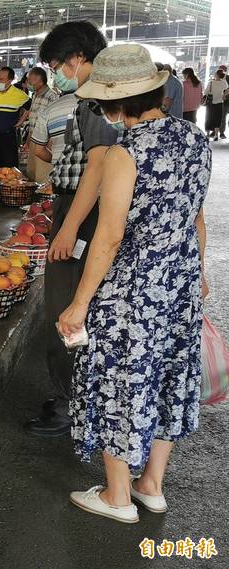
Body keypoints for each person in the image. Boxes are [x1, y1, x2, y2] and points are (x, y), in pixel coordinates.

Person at [59, 43, 210, 523]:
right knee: (168, 375)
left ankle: (118, 496)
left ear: (116, 103)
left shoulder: (126, 152)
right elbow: (196, 218)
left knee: (121, 377)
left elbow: (109, 236)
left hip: (134, 288)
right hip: (180, 280)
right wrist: (198, 274)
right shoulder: (195, 140)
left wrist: (79, 304)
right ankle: (152, 485)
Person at [25, 20, 117, 438]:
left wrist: (70, 228)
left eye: (57, 63)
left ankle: (71, 405)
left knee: (66, 307)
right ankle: (77, 397)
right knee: (79, 306)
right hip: (83, 209)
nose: (56, 71)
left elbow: (97, 166)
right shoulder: (103, 99)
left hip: (86, 213)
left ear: (78, 59)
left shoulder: (94, 101)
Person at [0, 66, 30, 172]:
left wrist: (21, 121)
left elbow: (30, 107)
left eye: (2, 79)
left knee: (9, 169)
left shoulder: (18, 94)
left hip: (8, 137)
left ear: (10, 80)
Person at [24, 67, 58, 181]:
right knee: (32, 173)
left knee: (42, 174)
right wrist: (28, 140)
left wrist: (49, 144)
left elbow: (53, 122)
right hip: (34, 139)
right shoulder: (35, 95)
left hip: (45, 142)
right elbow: (33, 121)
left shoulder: (52, 97)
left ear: (41, 81)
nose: (28, 83)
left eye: (30, 81)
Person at [204, 69, 227, 139]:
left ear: (217, 75)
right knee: (218, 119)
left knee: (208, 117)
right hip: (220, 103)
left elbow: (206, 92)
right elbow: (227, 90)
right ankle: (216, 135)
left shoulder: (211, 82)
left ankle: (207, 134)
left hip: (210, 103)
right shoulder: (224, 82)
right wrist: (224, 95)